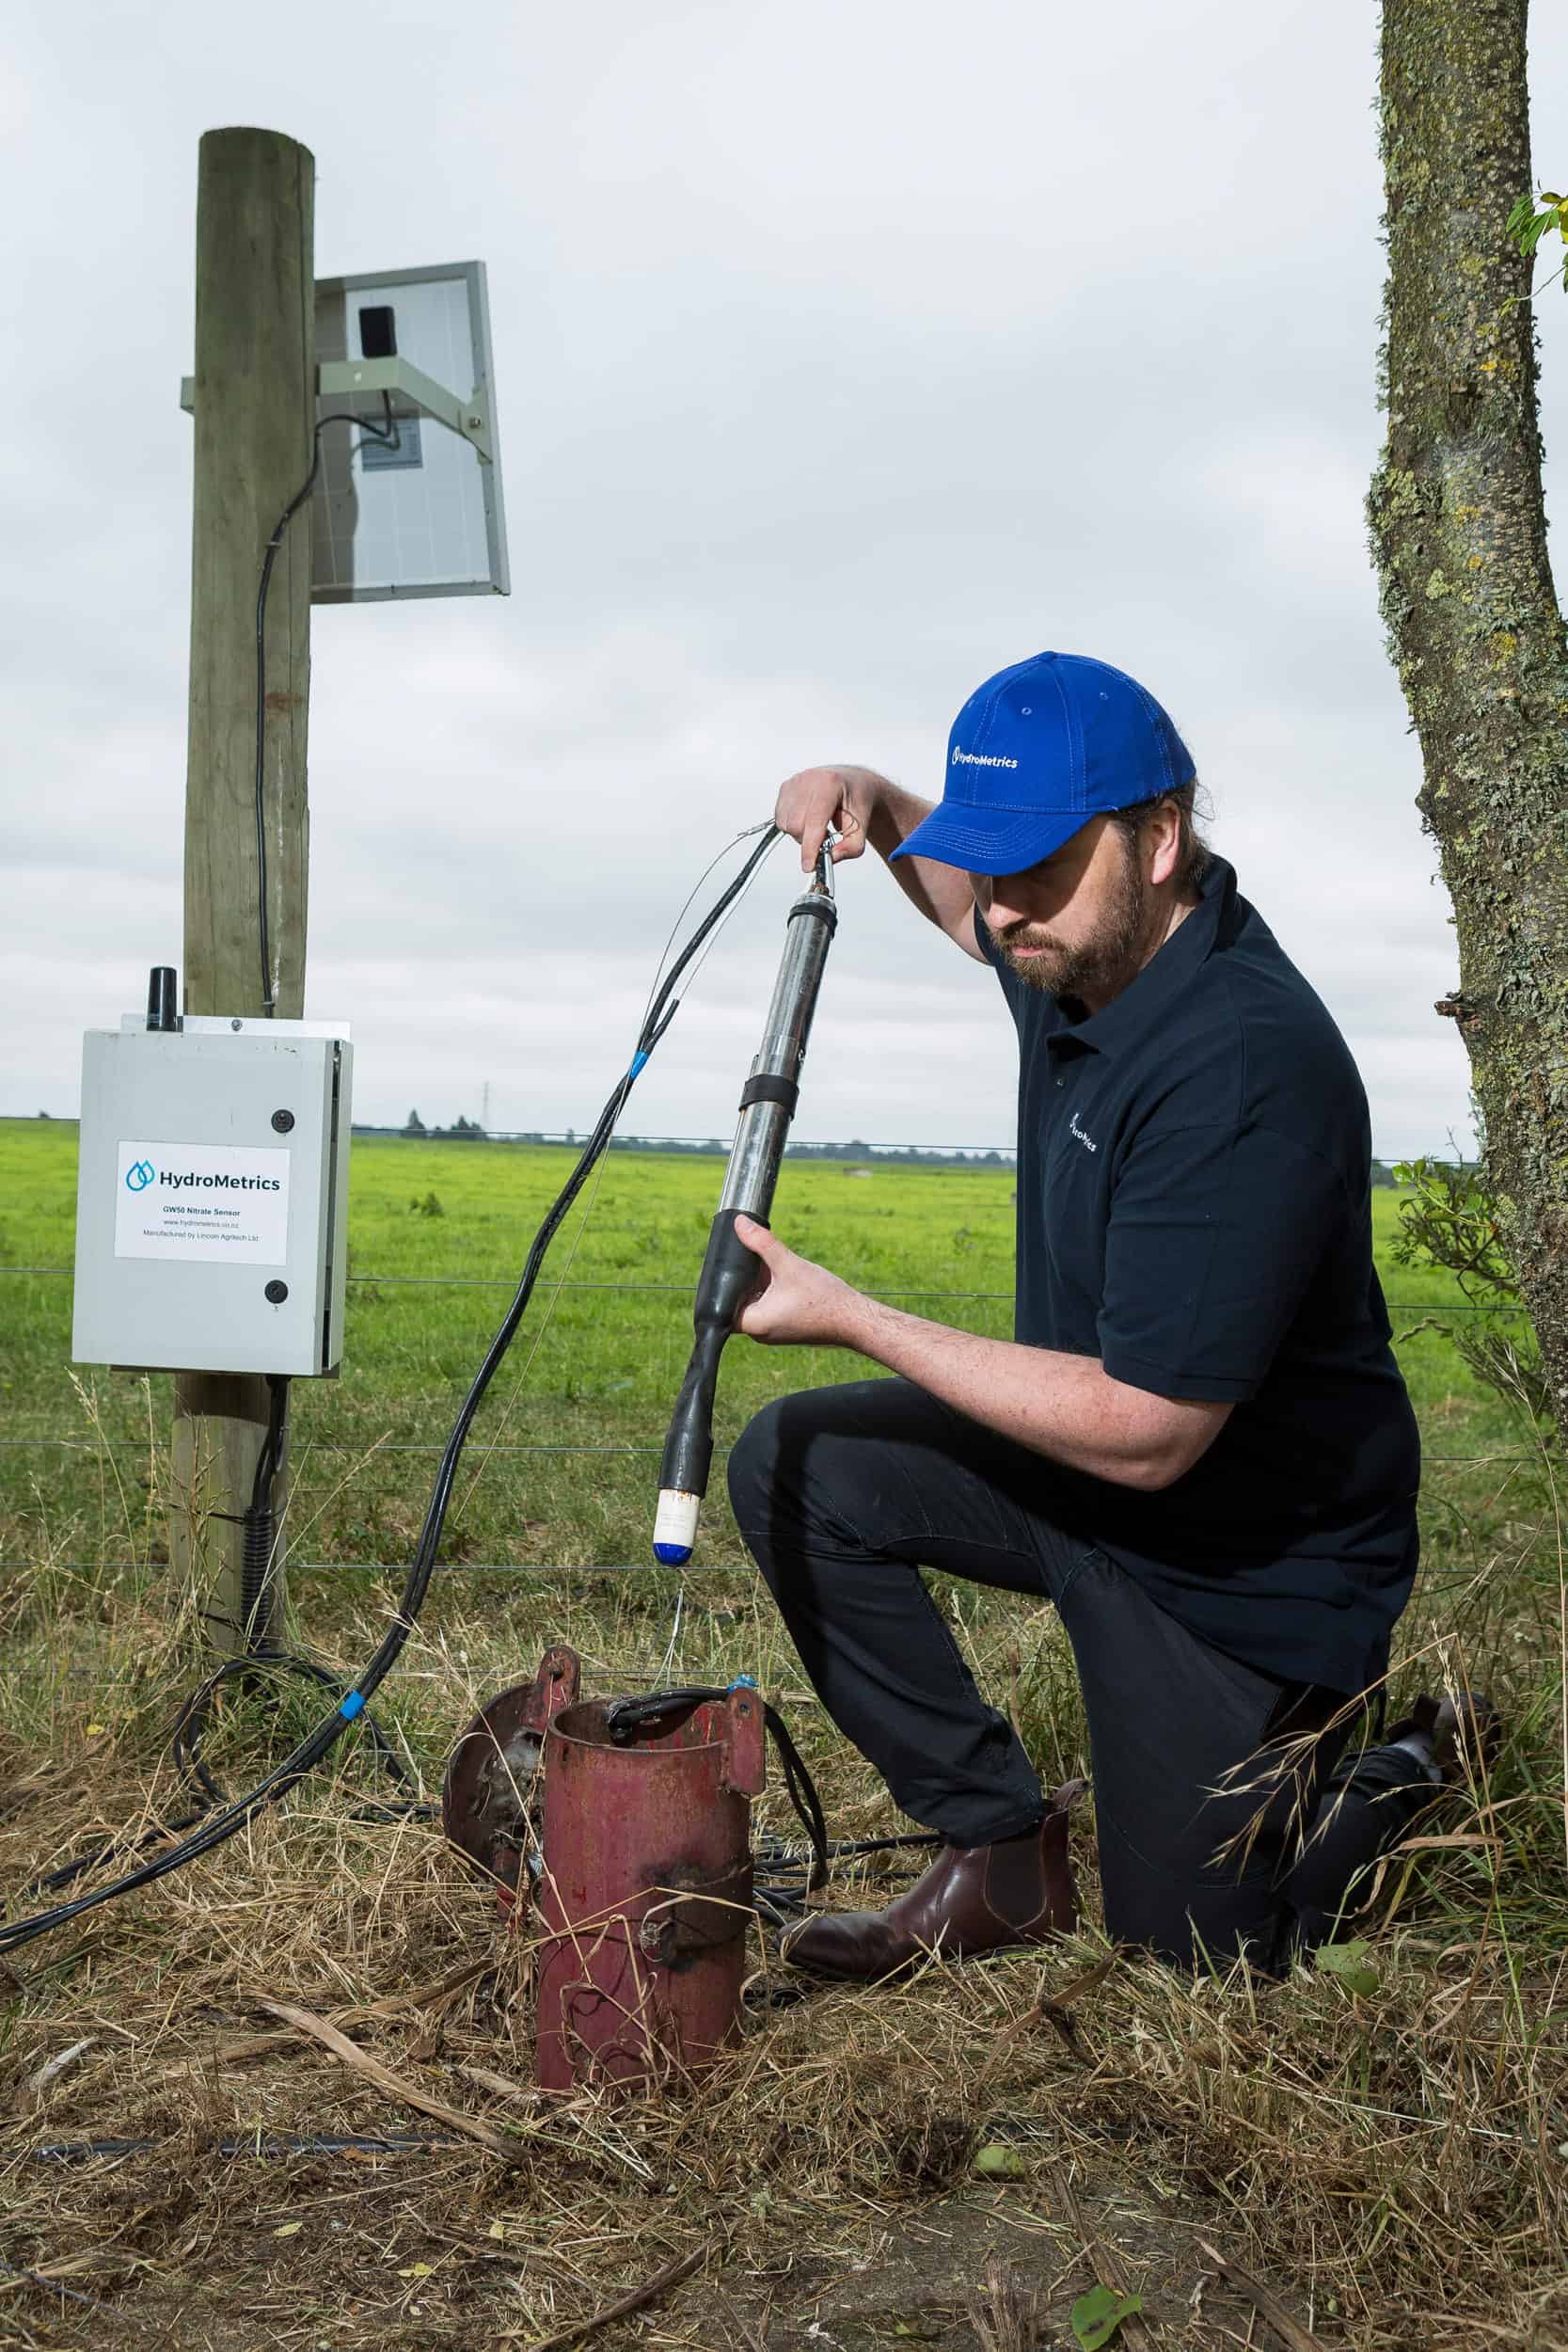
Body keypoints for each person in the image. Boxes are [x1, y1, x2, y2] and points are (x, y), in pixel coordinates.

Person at [725, 649, 1494, 1979]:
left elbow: (1149, 1433)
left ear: (1159, 840)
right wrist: (873, 793)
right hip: (1089, 1481)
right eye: (994, 864)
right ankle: (998, 1854)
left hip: (1245, 1570)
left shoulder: (1242, 1065)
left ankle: (1398, 1772)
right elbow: (961, 890)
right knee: (797, 1470)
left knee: (1196, 1960)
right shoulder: (1075, 954)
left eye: (1038, 868)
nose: (1005, 911)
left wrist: (856, 1315)